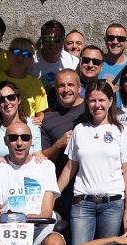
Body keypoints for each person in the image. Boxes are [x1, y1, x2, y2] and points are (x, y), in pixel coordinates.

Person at [57, 80, 127, 245]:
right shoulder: (80, 131)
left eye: (101, 100)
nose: (97, 105)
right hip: (82, 203)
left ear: (110, 101)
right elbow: (69, 168)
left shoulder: (120, 131)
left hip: (112, 204)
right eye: (92, 100)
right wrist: (52, 194)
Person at [41, 69, 90, 220]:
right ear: (55, 89)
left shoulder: (92, 109)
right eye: (61, 86)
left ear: (79, 88)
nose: (66, 89)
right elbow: (42, 158)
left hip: (92, 187)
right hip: (63, 189)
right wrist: (58, 144)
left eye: (71, 85)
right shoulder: (49, 118)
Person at [0, 37, 48, 127]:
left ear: (31, 59)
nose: (20, 57)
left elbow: (41, 113)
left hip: (23, 135)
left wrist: (38, 120)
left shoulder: (36, 84)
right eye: (16, 52)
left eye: (26, 54)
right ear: (8, 54)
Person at [0, 80, 42, 171]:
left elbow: (38, 155)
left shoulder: (33, 125)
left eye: (11, 97)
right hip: (0, 179)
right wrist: (5, 168)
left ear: (19, 100)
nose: (7, 102)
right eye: (1, 99)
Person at [29, 20, 79, 90]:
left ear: (63, 40)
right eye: (47, 39)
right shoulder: (30, 61)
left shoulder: (73, 62)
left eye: (57, 39)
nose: (52, 43)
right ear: (42, 40)